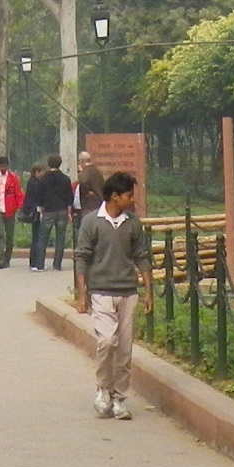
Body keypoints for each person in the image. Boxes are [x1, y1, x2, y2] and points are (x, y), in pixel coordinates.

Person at [76, 173, 150, 421]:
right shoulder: (91, 222)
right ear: (115, 196)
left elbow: (142, 255)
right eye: (129, 195)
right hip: (101, 291)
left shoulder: (133, 223)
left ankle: (119, 398)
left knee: (125, 349)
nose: (132, 200)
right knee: (107, 342)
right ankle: (103, 388)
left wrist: (148, 290)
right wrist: (82, 294)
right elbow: (82, 257)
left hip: (128, 291)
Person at [26, 155, 75, 272]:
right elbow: (69, 197)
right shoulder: (65, 179)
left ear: (49, 164)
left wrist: (41, 210)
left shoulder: (43, 179)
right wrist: (69, 212)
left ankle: (40, 264)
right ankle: (57, 265)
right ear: (60, 163)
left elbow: (39, 196)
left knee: (42, 238)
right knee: (60, 238)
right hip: (62, 210)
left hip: (48, 210)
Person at [0, 157, 25, 268]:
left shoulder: (14, 178)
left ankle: (7, 258)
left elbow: (18, 193)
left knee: (9, 235)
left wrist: (19, 206)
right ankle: (0, 257)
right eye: (1, 166)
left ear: (7, 166)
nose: (3, 168)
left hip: (10, 209)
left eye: (5, 166)